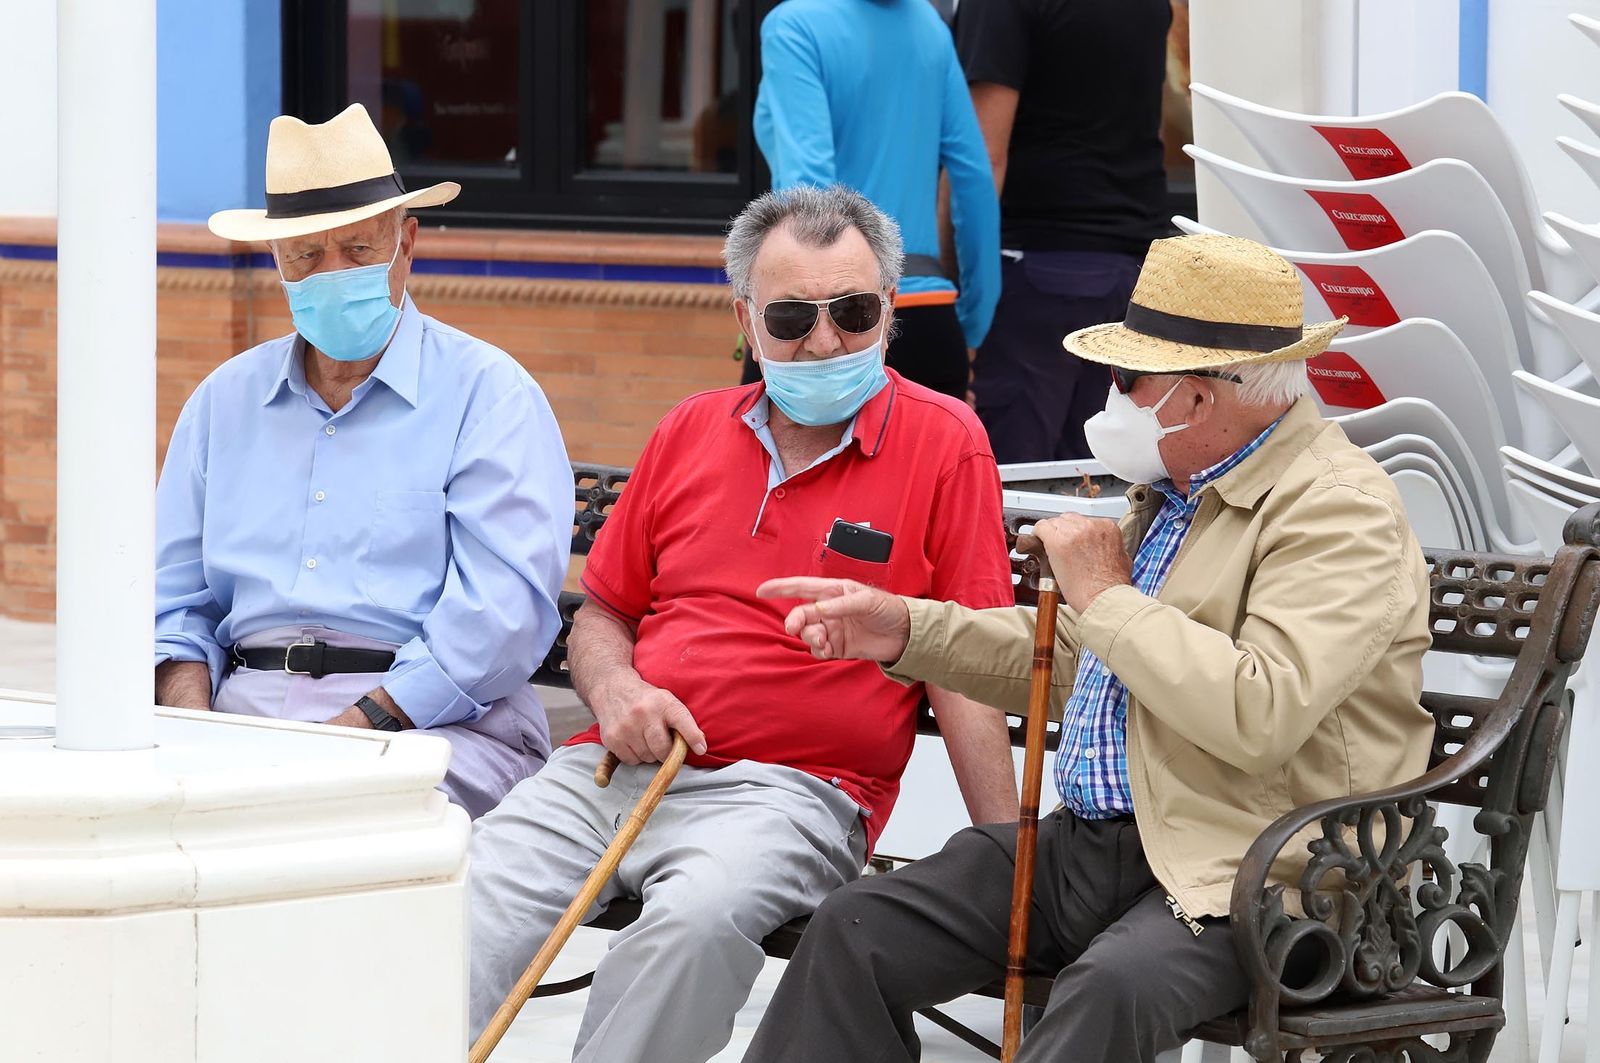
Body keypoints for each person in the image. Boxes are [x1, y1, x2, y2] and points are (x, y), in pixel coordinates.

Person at [741, 234, 1436, 1063]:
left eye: (1127, 377)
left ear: (1200, 396)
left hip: (1263, 872)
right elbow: (1081, 655)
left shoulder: (1339, 509)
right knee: (855, 927)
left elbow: (1261, 710)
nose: (1113, 395)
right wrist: (906, 628)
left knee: (1109, 988)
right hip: (1103, 846)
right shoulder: (1187, 486)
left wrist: (1106, 594)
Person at [467, 186, 1019, 1063]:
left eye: (854, 311)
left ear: (891, 310)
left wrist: (1010, 856)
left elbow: (972, 660)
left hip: (793, 794)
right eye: (793, 317)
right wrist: (616, 690)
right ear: (746, 320)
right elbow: (606, 611)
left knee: (692, 925)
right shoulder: (689, 428)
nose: (826, 340)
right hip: (612, 766)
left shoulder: (946, 442)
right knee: (460, 899)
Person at [154, 104, 570, 819]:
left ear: (406, 243)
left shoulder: (488, 395)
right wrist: (194, 731)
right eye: (306, 256)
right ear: (276, 260)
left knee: (307, 821)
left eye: (356, 248)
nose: (332, 274)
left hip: (432, 733)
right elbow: (174, 603)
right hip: (241, 726)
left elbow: (500, 618)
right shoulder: (223, 403)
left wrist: (351, 735)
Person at [742, 0, 1000, 400]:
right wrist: (973, 324)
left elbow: (806, 191)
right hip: (929, 318)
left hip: (822, 327)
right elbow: (974, 178)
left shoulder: (794, 26)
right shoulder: (930, 28)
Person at [955, 0, 1174, 461]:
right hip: (1133, 271)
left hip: (1035, 270)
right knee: (1103, 476)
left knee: (1008, 482)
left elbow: (981, 159)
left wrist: (960, 294)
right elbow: (1147, 127)